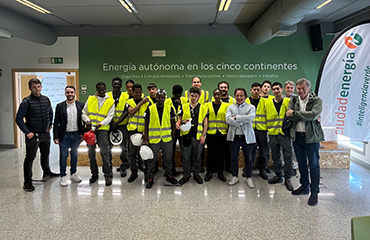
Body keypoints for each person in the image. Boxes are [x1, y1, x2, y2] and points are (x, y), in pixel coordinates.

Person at [286, 78, 324, 206]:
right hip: (297, 137)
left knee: (313, 165)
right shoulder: (294, 99)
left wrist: (296, 113)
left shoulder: (316, 101)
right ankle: (304, 187)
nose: (301, 91)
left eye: (303, 88)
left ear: (309, 88)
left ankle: (314, 192)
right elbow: (288, 114)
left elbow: (313, 115)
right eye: (299, 88)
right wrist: (306, 115)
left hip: (312, 138)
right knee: (301, 163)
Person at [16, 78, 59, 192]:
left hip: (45, 133)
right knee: (30, 158)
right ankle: (27, 182)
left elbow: (50, 113)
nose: (37, 89)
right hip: (33, 135)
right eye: (34, 87)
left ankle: (47, 172)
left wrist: (50, 126)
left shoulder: (46, 99)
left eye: (38, 86)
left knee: (45, 154)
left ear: (41, 87)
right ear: (30, 88)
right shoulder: (26, 102)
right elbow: (19, 119)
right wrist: (27, 132)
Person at [143, 89, 178, 188]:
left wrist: (173, 135)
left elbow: (173, 123)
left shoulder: (169, 108)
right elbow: (146, 123)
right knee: (151, 159)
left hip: (167, 138)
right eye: (158, 97)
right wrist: (146, 138)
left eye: (162, 97)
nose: (160, 99)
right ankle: (150, 177)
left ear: (165, 98)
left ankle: (169, 175)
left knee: (168, 158)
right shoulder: (150, 108)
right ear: (156, 97)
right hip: (154, 139)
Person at [82, 82, 115, 186]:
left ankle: (108, 175)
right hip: (90, 131)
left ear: (105, 89)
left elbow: (109, 117)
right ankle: (94, 174)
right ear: (96, 88)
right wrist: (87, 121)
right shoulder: (91, 99)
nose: (101, 91)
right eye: (99, 89)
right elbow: (84, 112)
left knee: (105, 153)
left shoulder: (110, 101)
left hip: (102, 130)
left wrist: (100, 124)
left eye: (103, 89)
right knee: (91, 154)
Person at [53, 86, 85, 187]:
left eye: (71, 92)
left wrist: (82, 134)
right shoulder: (60, 106)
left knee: (74, 155)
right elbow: (56, 122)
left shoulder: (80, 105)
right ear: (65, 93)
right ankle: (63, 176)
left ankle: (73, 174)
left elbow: (83, 121)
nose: (70, 94)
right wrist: (56, 136)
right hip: (64, 135)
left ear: (75, 93)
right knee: (63, 156)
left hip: (76, 134)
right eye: (67, 92)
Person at [265, 82, 294, 191]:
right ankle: (278, 176)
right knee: (275, 156)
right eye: (274, 89)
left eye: (278, 89)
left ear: (282, 89)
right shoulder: (268, 103)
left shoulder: (288, 101)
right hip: (272, 134)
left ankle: (288, 179)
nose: (276, 91)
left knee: (288, 156)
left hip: (284, 134)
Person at [226, 88, 256, 188]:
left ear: (245, 96)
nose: (239, 98)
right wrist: (242, 121)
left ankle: (249, 177)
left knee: (248, 158)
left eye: (241, 96)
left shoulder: (251, 107)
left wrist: (236, 118)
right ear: (235, 96)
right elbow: (227, 120)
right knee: (233, 158)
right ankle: (235, 176)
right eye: (237, 96)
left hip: (246, 137)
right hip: (234, 137)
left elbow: (250, 118)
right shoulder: (230, 107)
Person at [177, 87, 208, 185]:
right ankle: (186, 174)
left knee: (197, 157)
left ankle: (196, 174)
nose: (193, 98)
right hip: (186, 136)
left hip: (198, 136)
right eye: (192, 95)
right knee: (186, 157)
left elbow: (205, 123)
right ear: (189, 95)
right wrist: (177, 124)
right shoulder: (183, 106)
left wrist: (203, 135)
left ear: (198, 96)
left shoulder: (203, 107)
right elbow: (179, 119)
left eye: (195, 96)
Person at [126, 84, 151, 183]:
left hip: (143, 131)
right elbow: (131, 111)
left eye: (139, 92)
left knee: (144, 153)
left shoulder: (147, 103)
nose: (138, 94)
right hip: (132, 130)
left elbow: (147, 119)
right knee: (132, 153)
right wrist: (141, 102)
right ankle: (134, 172)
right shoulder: (129, 101)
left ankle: (146, 173)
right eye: (136, 92)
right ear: (132, 92)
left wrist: (145, 132)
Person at [246, 82, 269, 180]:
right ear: (251, 90)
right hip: (250, 130)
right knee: (250, 150)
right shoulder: (246, 101)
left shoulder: (266, 102)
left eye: (258, 90)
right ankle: (248, 169)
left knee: (264, 151)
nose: (256, 91)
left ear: (261, 91)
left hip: (262, 130)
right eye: (254, 89)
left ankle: (262, 169)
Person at [107, 77, 129, 178]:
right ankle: (109, 168)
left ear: (121, 85)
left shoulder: (126, 96)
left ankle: (124, 166)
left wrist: (117, 122)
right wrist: (112, 123)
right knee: (108, 148)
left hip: (122, 125)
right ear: (112, 85)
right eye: (114, 84)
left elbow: (126, 110)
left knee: (124, 148)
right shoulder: (107, 96)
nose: (116, 86)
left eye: (118, 84)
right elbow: (104, 111)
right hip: (109, 125)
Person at [204, 89, 228, 182]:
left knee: (221, 153)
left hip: (222, 133)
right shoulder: (207, 105)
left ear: (221, 95)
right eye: (215, 95)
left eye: (219, 94)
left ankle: (220, 172)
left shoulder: (226, 106)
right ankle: (209, 171)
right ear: (213, 96)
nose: (217, 96)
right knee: (211, 153)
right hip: (211, 133)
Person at [164, 85, 186, 175]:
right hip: (171, 129)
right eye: (176, 94)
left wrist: (181, 104)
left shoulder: (184, 100)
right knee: (170, 151)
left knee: (184, 150)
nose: (177, 95)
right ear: (172, 93)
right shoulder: (167, 101)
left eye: (179, 94)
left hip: (182, 129)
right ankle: (170, 170)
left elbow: (187, 112)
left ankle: (185, 170)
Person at [284, 80, 299, 175]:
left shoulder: (298, 99)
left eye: (291, 88)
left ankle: (294, 166)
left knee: (294, 148)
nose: (289, 89)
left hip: (295, 127)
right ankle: (284, 166)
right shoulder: (281, 98)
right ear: (284, 89)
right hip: (284, 127)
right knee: (284, 148)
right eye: (288, 87)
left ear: (294, 89)